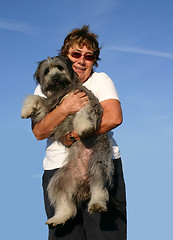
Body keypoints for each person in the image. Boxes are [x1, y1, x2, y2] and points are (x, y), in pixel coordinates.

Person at [32, 25, 127, 240]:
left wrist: (75, 135)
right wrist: (65, 108)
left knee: (105, 235)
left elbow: (114, 117)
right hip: (59, 167)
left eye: (89, 57)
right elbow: (39, 132)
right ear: (65, 57)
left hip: (100, 162)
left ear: (94, 60)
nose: (81, 61)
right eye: (75, 54)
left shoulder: (100, 80)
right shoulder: (44, 86)